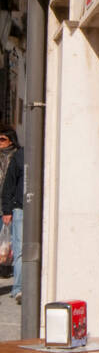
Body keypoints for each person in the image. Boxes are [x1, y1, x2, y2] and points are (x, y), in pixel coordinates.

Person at [0, 127, 23, 305]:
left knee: (13, 246)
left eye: (2, 139)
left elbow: (9, 183)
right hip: (7, 205)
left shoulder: (17, 155)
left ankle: (17, 284)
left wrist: (7, 209)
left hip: (9, 205)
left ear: (11, 140)